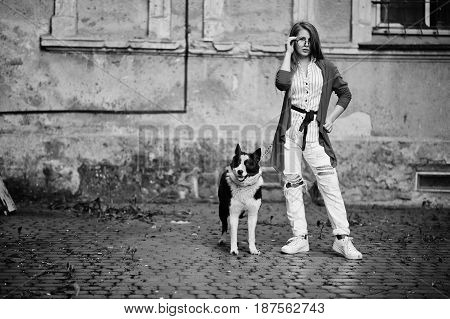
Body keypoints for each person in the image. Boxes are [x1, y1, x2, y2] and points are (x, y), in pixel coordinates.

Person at [270, 21, 362, 260]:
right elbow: (281, 84)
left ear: (315, 42)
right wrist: (287, 53)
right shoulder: (288, 67)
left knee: (329, 183)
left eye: (309, 40)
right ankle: (300, 238)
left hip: (315, 135)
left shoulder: (326, 67)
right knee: (292, 183)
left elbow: (345, 94)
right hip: (291, 133)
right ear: (293, 41)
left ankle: (342, 239)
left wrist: (331, 119)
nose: (305, 44)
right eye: (300, 39)